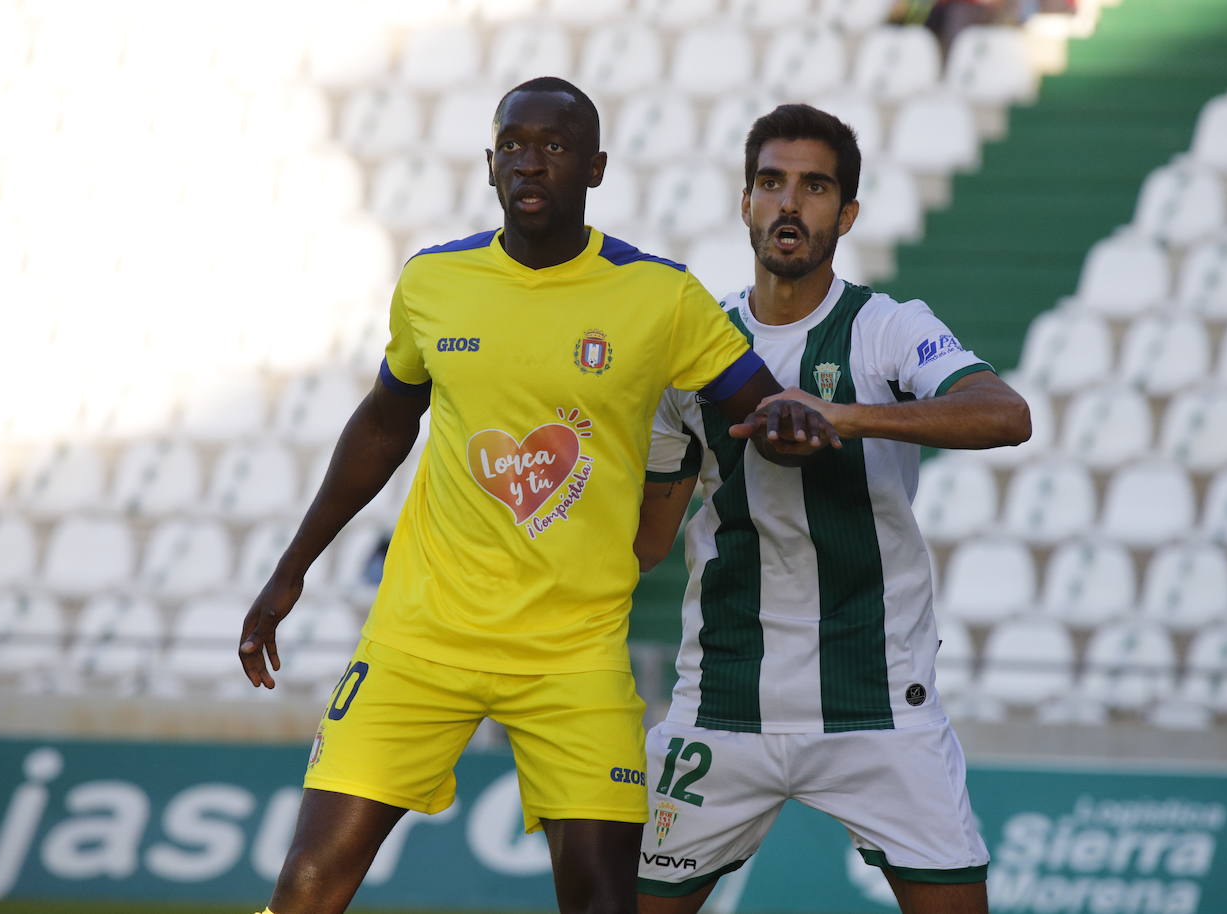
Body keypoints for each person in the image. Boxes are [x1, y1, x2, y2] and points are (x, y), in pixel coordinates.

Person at [236, 79, 840, 914]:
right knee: (306, 883)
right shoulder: (433, 282)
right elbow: (382, 425)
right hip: (420, 639)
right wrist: (290, 569)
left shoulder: (661, 297)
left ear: (593, 167)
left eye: (554, 146)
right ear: (489, 164)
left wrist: (790, 425)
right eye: (513, 144)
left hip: (574, 651)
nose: (530, 161)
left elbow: (757, 409)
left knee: (601, 902)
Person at [632, 104, 1031, 914]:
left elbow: (1005, 413)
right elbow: (645, 546)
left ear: (845, 215)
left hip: (875, 700)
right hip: (722, 703)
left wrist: (846, 415)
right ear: (745, 202)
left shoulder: (886, 330)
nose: (790, 204)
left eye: (815, 188)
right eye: (772, 183)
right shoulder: (691, 350)